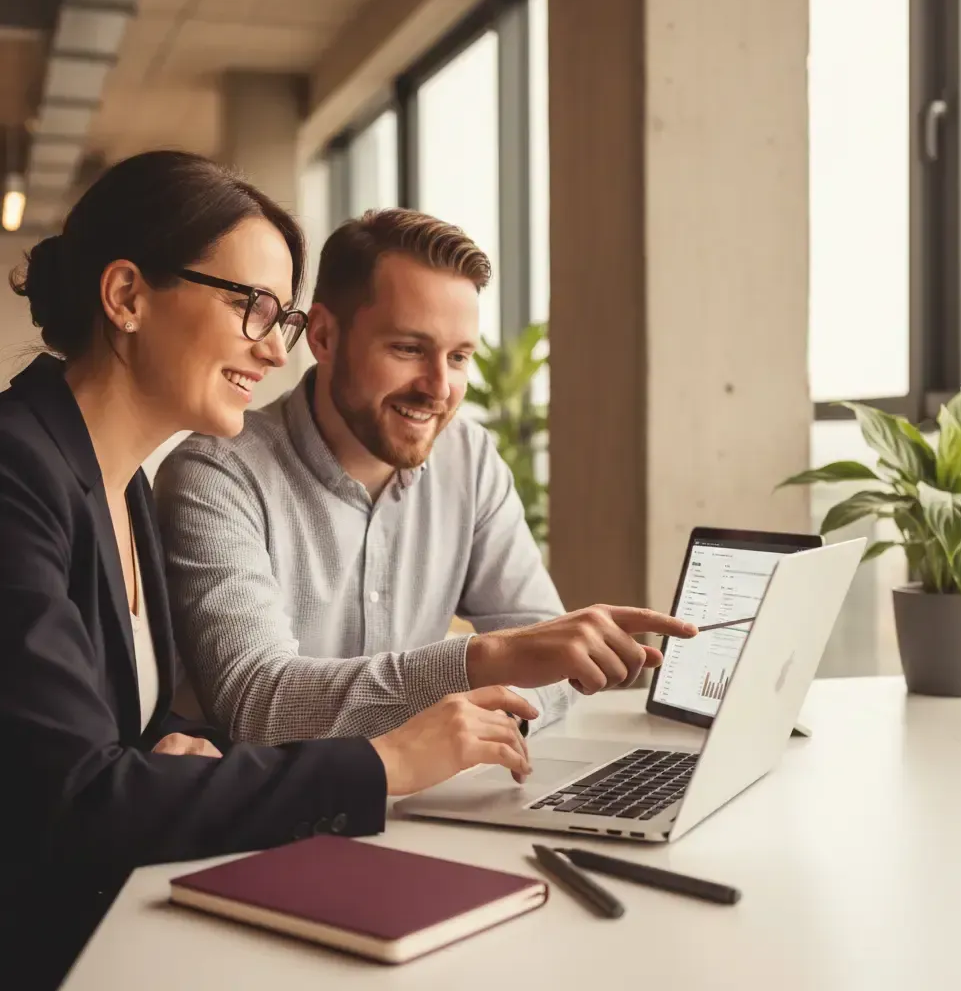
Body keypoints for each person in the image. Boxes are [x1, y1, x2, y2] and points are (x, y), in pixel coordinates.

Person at [0, 151, 548, 991]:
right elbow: (75, 799)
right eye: (252, 307)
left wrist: (163, 750)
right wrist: (387, 762)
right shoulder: (16, 476)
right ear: (127, 297)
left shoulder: (123, 486)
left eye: (280, 317)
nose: (274, 348)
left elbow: (78, 741)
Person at [155, 209, 697, 746]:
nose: (438, 388)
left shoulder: (469, 457)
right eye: (409, 349)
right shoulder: (216, 474)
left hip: (433, 802)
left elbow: (557, 666)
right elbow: (257, 704)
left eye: (459, 357)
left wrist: (481, 704)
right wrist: (482, 662)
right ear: (322, 336)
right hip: (271, 823)